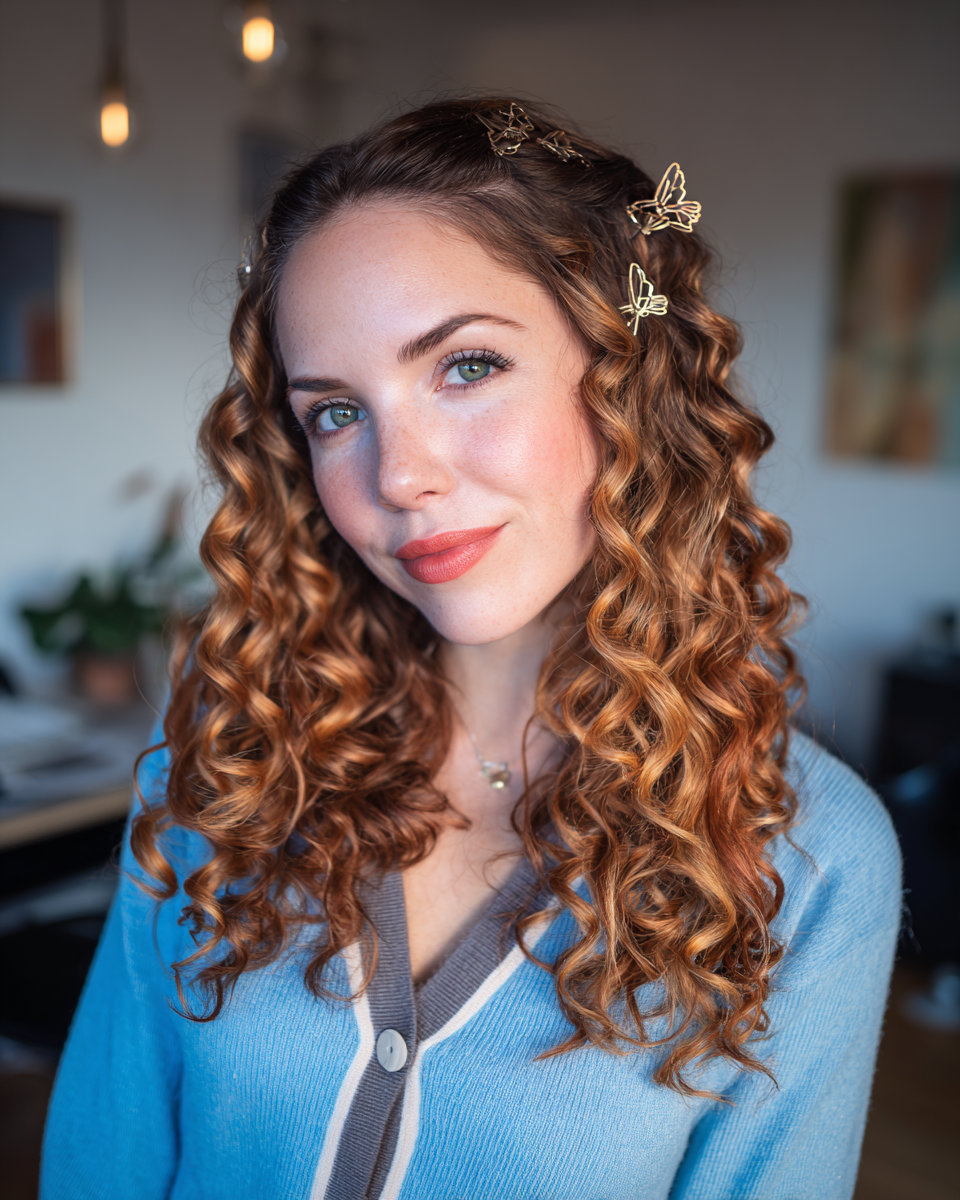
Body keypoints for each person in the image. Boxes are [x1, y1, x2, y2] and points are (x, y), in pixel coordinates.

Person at [41, 98, 901, 1200]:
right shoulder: (225, 771)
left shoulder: (807, 863)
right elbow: (96, 1168)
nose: (399, 476)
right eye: (336, 413)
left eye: (467, 367)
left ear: (625, 376)